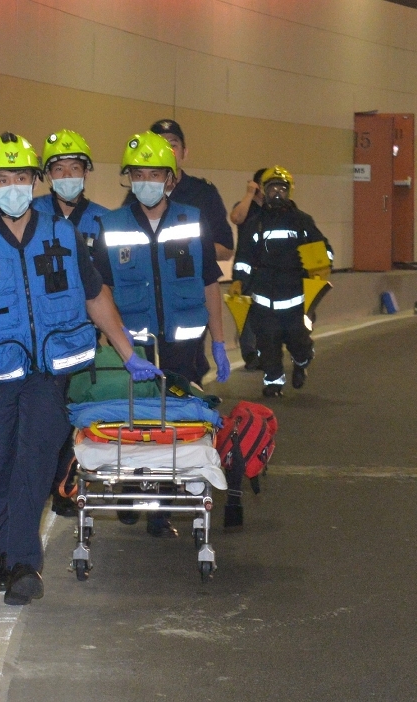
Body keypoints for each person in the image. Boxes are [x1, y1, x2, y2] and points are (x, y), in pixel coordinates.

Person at [0, 132, 159, 606]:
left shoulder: (65, 235)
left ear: (34, 181)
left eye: (20, 177)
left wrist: (127, 351)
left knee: (34, 462)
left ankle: (23, 565)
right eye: (2, 179)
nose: (12, 187)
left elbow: (95, 295)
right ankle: (9, 551)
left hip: (50, 372)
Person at [92, 131, 232, 538]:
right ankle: (136, 490)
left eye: (155, 173)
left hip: (183, 347)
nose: (147, 182)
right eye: (139, 174)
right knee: (137, 426)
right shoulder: (111, 225)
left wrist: (219, 341)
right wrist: (117, 345)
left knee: (174, 428)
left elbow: (209, 284)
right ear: (128, 178)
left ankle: (161, 508)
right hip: (134, 349)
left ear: (171, 179)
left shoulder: (192, 221)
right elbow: (100, 290)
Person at [31, 129, 115, 517]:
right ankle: (44, 483)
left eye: (74, 167)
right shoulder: (31, 218)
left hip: (88, 333)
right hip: (45, 338)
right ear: (48, 175)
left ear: (86, 172)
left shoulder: (104, 221)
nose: (67, 175)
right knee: (47, 415)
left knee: (79, 411)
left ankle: (65, 488)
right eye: (59, 168)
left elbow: (111, 282)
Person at [231, 166, 333, 397]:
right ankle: (273, 382)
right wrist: (238, 280)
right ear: (264, 192)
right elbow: (244, 256)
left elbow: (324, 250)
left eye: (282, 188)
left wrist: (321, 266)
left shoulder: (302, 221)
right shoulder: (256, 223)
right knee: (267, 343)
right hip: (263, 294)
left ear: (289, 191)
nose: (277, 193)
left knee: (298, 341)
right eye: (272, 188)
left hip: (295, 296)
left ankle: (302, 361)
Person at [124, 119, 235, 262]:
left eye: (173, 145)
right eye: (159, 144)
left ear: (184, 153)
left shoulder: (204, 193)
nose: (167, 150)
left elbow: (226, 249)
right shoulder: (137, 194)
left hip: (190, 281)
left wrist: (187, 250)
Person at [230, 168, 268, 370]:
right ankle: (250, 354)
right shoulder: (246, 206)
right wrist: (249, 194)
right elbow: (236, 218)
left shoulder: (275, 208)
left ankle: (265, 352)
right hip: (246, 269)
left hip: (268, 268)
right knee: (247, 313)